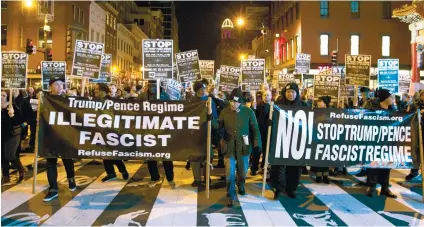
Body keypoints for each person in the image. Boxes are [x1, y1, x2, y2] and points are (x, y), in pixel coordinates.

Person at [219, 88, 261, 207]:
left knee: (242, 172)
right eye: (231, 101)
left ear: (241, 102)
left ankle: (241, 184)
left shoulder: (248, 112)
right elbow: (218, 125)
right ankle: (230, 195)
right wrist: (210, 119)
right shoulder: (224, 112)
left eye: (236, 102)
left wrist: (257, 144)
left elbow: (255, 129)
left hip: (244, 146)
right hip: (229, 146)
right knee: (229, 173)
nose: (233, 104)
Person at [272, 82, 307, 199]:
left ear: (297, 93)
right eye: (288, 92)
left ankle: (291, 188)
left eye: (293, 92)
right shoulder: (278, 105)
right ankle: (279, 188)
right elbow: (273, 119)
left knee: (295, 167)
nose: (290, 94)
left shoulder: (304, 105)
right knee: (279, 166)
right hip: (281, 140)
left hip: (297, 141)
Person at [43, 78, 76, 202]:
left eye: (61, 84)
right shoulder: (44, 99)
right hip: (50, 135)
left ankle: (71, 178)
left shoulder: (68, 99)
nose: (59, 86)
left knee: (67, 158)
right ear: (50, 86)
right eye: (56, 84)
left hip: (65, 135)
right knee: (50, 161)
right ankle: (53, 188)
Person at [142, 82, 176, 188]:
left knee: (166, 156)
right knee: (151, 156)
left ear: (158, 86)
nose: (151, 88)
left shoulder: (165, 95)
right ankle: (154, 177)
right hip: (149, 129)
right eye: (149, 85)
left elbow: (171, 110)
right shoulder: (143, 95)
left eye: (153, 86)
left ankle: (170, 179)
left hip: (163, 130)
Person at [364, 88, 397, 198]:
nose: (393, 98)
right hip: (374, 140)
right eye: (391, 97)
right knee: (373, 164)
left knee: (386, 164)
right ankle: (371, 186)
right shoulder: (371, 107)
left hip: (388, 141)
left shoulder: (393, 109)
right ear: (385, 98)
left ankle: (385, 187)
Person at [188, 80, 218, 187]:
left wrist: (212, 120)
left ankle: (207, 176)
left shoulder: (209, 101)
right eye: (202, 89)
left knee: (208, 156)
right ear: (198, 90)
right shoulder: (191, 101)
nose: (204, 90)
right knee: (194, 157)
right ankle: (196, 179)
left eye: (204, 88)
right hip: (194, 134)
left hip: (207, 133)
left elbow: (215, 117)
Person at [1, 90, 27, 184]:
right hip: (2, 134)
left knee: (10, 154)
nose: (1, 97)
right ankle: (5, 176)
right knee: (2, 156)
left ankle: (21, 170)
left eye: (3, 95)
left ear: (7, 97)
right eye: (0, 95)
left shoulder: (12, 106)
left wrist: (12, 115)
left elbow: (20, 121)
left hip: (13, 134)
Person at [310, 96, 332, 184]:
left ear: (325, 103)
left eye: (321, 101)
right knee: (318, 156)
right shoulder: (315, 112)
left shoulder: (331, 112)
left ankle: (326, 175)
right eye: (318, 101)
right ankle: (319, 175)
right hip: (317, 138)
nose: (318, 103)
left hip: (327, 138)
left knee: (325, 156)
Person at [251, 90, 272, 176]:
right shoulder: (258, 106)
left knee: (266, 150)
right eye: (265, 95)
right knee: (257, 150)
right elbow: (254, 117)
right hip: (259, 132)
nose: (266, 96)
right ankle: (254, 168)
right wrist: (254, 108)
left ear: (270, 96)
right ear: (262, 97)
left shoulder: (273, 107)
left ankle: (264, 167)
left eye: (268, 95)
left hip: (268, 132)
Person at [405, 90, 424, 181]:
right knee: (415, 152)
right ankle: (414, 171)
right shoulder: (415, 105)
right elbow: (409, 115)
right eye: (423, 95)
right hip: (416, 131)